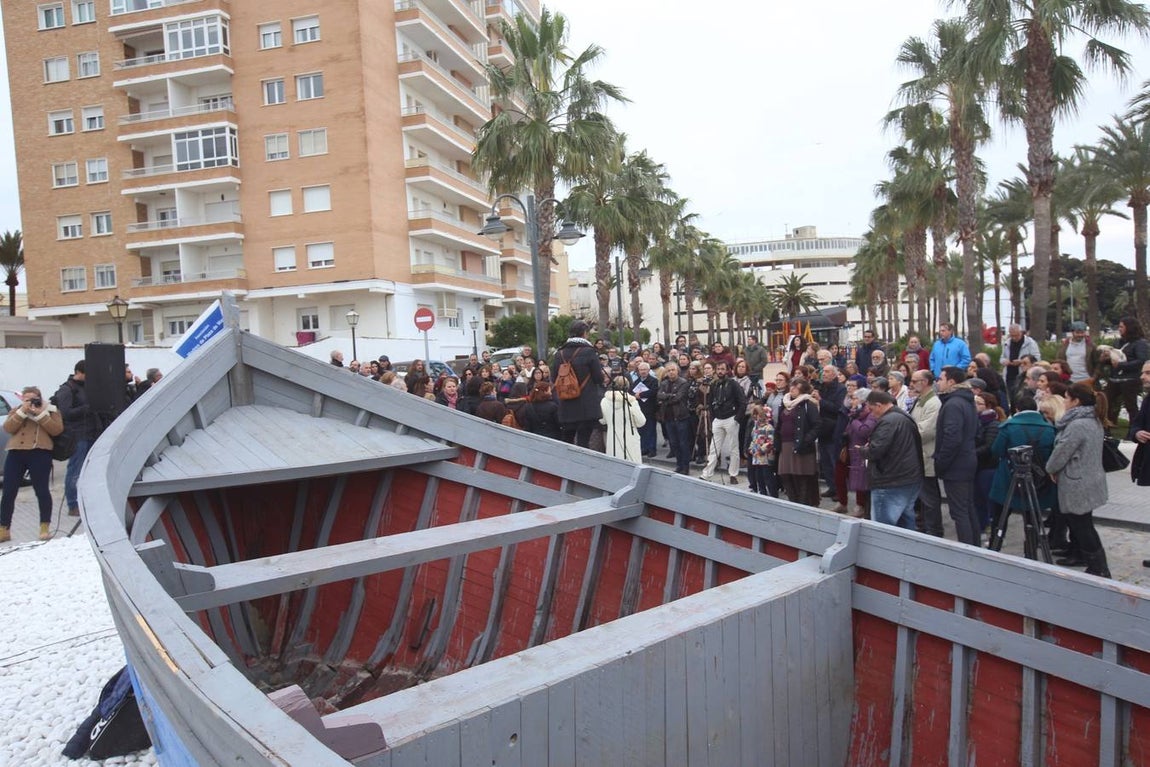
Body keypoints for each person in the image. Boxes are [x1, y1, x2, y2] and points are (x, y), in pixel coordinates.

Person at [1046, 384, 1111, 578]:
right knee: (1080, 522)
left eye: (1066, 398)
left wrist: (1051, 468)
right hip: (1087, 478)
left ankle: (1098, 566)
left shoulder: (1079, 424)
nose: (1064, 402)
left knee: (1082, 525)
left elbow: (1063, 451)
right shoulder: (1091, 419)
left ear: (1076, 401)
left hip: (1078, 481)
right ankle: (1080, 554)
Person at [0, 387, 64, 542]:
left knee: (41, 490)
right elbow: (8, 428)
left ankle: (44, 527)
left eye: (32, 399)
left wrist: (39, 414)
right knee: (8, 492)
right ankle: (4, 528)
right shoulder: (17, 410)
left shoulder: (50, 410)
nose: (29, 402)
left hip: (39, 452)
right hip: (16, 452)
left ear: (39, 398)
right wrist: (22, 412)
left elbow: (57, 430)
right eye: (26, 399)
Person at [862, 390, 923, 529]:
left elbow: (875, 451)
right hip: (909, 477)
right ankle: (907, 550)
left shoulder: (888, 421)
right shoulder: (903, 417)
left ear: (878, 405)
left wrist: (862, 450)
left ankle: (887, 551)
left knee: (883, 528)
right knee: (906, 522)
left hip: (890, 480)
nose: (871, 414)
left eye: (871, 409)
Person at [935, 366, 981, 546]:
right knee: (967, 508)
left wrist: (941, 462)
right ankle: (974, 546)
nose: (938, 382)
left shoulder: (954, 403)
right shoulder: (965, 400)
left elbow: (952, 437)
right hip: (966, 460)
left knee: (960, 511)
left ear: (951, 382)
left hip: (957, 464)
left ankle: (967, 549)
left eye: (940, 379)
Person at [54, 360, 100, 518]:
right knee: (75, 471)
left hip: (91, 433)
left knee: (90, 472)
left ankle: (88, 502)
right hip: (77, 435)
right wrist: (87, 408)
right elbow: (66, 413)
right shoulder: (67, 389)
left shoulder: (86, 388)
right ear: (79, 372)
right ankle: (73, 504)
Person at [551, 320, 606, 448]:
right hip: (586, 406)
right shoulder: (589, 351)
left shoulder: (560, 353)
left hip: (566, 404)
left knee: (567, 442)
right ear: (584, 334)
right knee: (583, 442)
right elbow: (598, 378)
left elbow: (554, 378)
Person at [775, 378, 821, 507]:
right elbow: (779, 424)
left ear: (802, 390)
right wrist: (776, 443)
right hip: (785, 445)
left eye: (796, 387)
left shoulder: (808, 404)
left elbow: (817, 425)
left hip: (801, 446)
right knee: (786, 475)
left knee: (801, 477)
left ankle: (803, 505)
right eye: (792, 386)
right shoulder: (784, 403)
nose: (792, 388)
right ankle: (793, 503)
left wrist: (806, 440)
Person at [910, 370, 943, 537]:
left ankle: (934, 530)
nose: (912, 383)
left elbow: (926, 430)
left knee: (929, 496)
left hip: (927, 456)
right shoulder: (920, 400)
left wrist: (906, 433)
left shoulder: (933, 403)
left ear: (924, 382)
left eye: (915, 380)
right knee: (922, 496)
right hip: (919, 455)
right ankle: (924, 525)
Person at [701, 361, 745, 484]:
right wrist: (713, 418)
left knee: (733, 448)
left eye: (722, 369)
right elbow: (710, 402)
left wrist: (737, 419)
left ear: (727, 370)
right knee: (714, 448)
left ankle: (733, 474)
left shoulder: (733, 384)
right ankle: (707, 473)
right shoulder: (714, 384)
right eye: (718, 369)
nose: (720, 371)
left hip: (731, 418)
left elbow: (742, 402)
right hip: (718, 419)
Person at [843, 387, 877, 518]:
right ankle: (863, 509)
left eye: (855, 398)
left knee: (866, 485)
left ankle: (868, 513)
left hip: (864, 452)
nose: (852, 401)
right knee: (860, 483)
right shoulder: (856, 413)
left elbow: (864, 431)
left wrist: (854, 420)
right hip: (855, 451)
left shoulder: (870, 414)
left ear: (863, 401)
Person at [1110, 317, 1150, 425]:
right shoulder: (1118, 342)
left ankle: (1134, 428)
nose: (1119, 329)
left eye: (1122, 327)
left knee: (1131, 406)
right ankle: (1107, 427)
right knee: (1107, 401)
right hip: (1115, 379)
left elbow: (1142, 361)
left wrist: (1122, 365)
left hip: (1130, 379)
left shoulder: (1140, 343)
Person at [657, 362, 692, 475]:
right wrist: (669, 396)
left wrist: (666, 398)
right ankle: (679, 464)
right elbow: (659, 395)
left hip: (680, 417)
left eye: (673, 370)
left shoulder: (683, 383)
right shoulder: (664, 383)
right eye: (669, 370)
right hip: (668, 417)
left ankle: (686, 467)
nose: (671, 372)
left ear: (677, 371)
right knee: (674, 443)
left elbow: (678, 398)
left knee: (683, 443)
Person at [600, 376, 645, 461]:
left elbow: (603, 421)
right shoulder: (631, 401)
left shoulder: (604, 401)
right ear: (627, 387)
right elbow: (641, 422)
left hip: (612, 438)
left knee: (615, 466)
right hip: (630, 438)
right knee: (632, 465)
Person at [1002, 324, 1041, 409]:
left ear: (1021, 333)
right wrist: (1004, 361)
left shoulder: (1030, 343)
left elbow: (1037, 358)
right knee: (1012, 396)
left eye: (1016, 335)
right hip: (1010, 374)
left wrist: (1021, 362)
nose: (1014, 338)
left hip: (1025, 374)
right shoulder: (1007, 343)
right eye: (1012, 336)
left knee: (1023, 395)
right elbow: (1002, 357)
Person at [745, 404, 776, 496]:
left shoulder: (768, 427)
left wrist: (761, 450)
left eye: (757, 414)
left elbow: (770, 442)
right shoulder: (755, 428)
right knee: (759, 477)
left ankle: (773, 494)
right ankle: (762, 493)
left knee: (768, 477)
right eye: (754, 415)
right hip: (756, 458)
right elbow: (753, 440)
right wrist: (751, 449)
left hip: (765, 458)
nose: (755, 417)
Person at [631, 361, 660, 458]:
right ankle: (644, 448)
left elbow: (653, 392)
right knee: (641, 430)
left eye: (644, 369)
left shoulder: (653, 381)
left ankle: (652, 449)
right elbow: (631, 391)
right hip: (640, 409)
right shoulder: (636, 381)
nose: (643, 372)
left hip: (650, 408)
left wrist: (641, 395)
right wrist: (635, 395)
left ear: (648, 370)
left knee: (651, 430)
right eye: (641, 370)